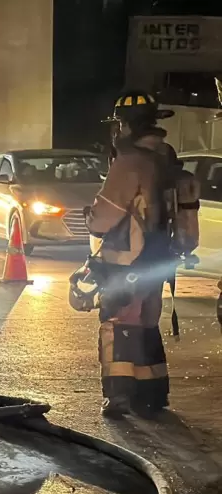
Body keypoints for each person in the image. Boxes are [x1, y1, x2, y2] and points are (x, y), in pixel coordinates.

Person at [84, 89, 176, 418]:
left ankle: (120, 395)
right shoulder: (166, 156)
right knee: (147, 322)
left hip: (126, 259)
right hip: (158, 258)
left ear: (126, 126)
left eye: (119, 124)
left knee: (118, 321)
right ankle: (152, 393)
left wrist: (90, 217)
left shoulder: (129, 162)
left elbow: (104, 218)